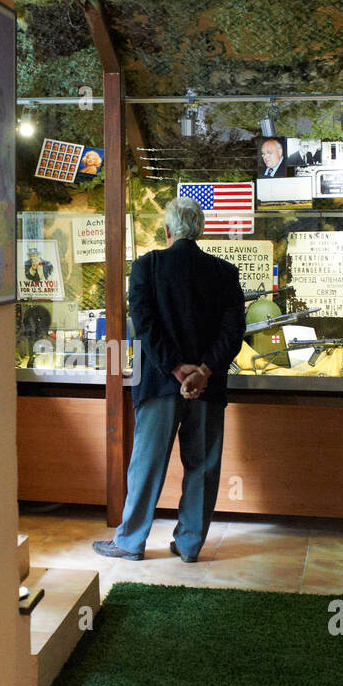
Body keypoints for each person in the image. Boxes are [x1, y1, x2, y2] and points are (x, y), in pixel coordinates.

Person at [92, 197, 246, 563]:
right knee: (203, 466)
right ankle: (190, 544)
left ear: (167, 231)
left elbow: (144, 324)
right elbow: (233, 330)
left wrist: (176, 368)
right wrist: (203, 371)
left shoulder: (147, 266)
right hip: (208, 388)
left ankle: (130, 542)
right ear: (202, 230)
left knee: (147, 463)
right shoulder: (225, 273)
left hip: (160, 384)